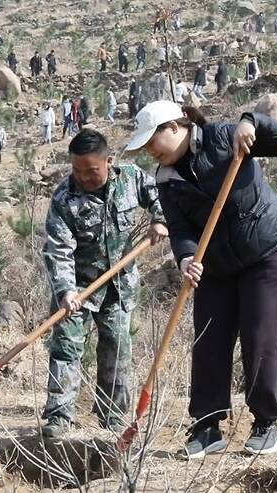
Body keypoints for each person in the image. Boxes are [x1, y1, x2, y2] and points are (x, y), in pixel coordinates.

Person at [124, 101, 277, 459]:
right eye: (144, 148)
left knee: (261, 336)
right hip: (214, 264)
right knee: (209, 343)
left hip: (265, 251)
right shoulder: (166, 179)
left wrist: (252, 123)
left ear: (175, 126)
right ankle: (207, 427)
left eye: (152, 141)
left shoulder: (223, 137)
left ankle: (265, 424)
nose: (150, 151)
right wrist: (186, 257)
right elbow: (181, 228)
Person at [40, 128, 167, 437]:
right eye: (77, 170)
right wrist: (66, 291)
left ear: (109, 161)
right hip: (78, 287)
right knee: (67, 347)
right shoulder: (63, 199)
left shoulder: (130, 178)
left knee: (117, 348)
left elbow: (161, 195)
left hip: (119, 285)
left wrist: (160, 219)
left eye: (92, 170)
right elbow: (58, 250)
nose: (84, 177)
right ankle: (59, 416)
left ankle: (112, 416)